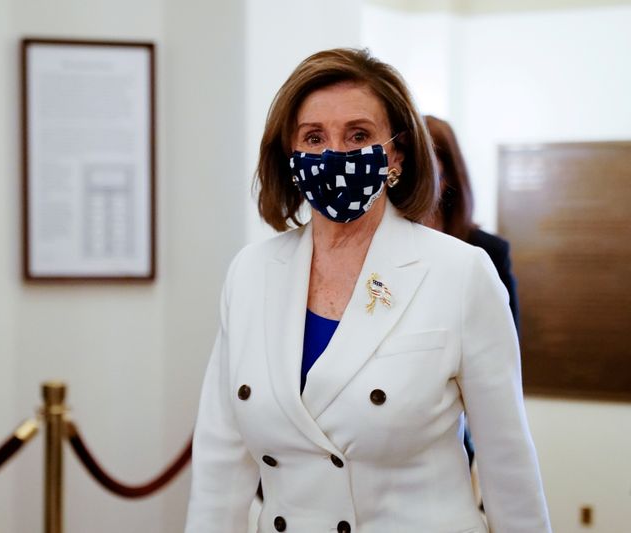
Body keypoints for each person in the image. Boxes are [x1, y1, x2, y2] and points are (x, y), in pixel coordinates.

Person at [185, 48, 550, 533]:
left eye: (358, 135)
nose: (334, 154)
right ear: (290, 157)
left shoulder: (459, 272)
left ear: (396, 152)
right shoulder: (251, 273)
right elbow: (219, 465)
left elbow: (508, 466)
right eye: (313, 138)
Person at [424, 115, 519, 328]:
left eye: (426, 166)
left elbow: (504, 345)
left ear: (447, 176)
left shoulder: (488, 250)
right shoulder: (383, 243)